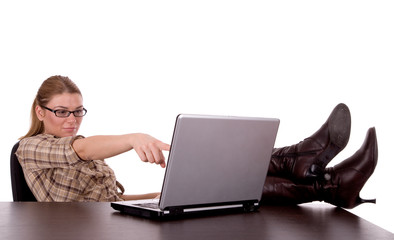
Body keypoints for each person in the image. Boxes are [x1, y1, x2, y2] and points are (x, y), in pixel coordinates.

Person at [16, 75, 378, 208]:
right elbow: (79, 149)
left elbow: (110, 199)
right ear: (41, 110)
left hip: (113, 218)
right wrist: (132, 138)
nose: (72, 120)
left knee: (217, 183)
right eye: (62, 111)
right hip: (91, 231)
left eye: (78, 111)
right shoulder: (29, 149)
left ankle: (322, 179)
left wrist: (159, 196)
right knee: (224, 189)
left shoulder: (87, 145)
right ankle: (316, 172)